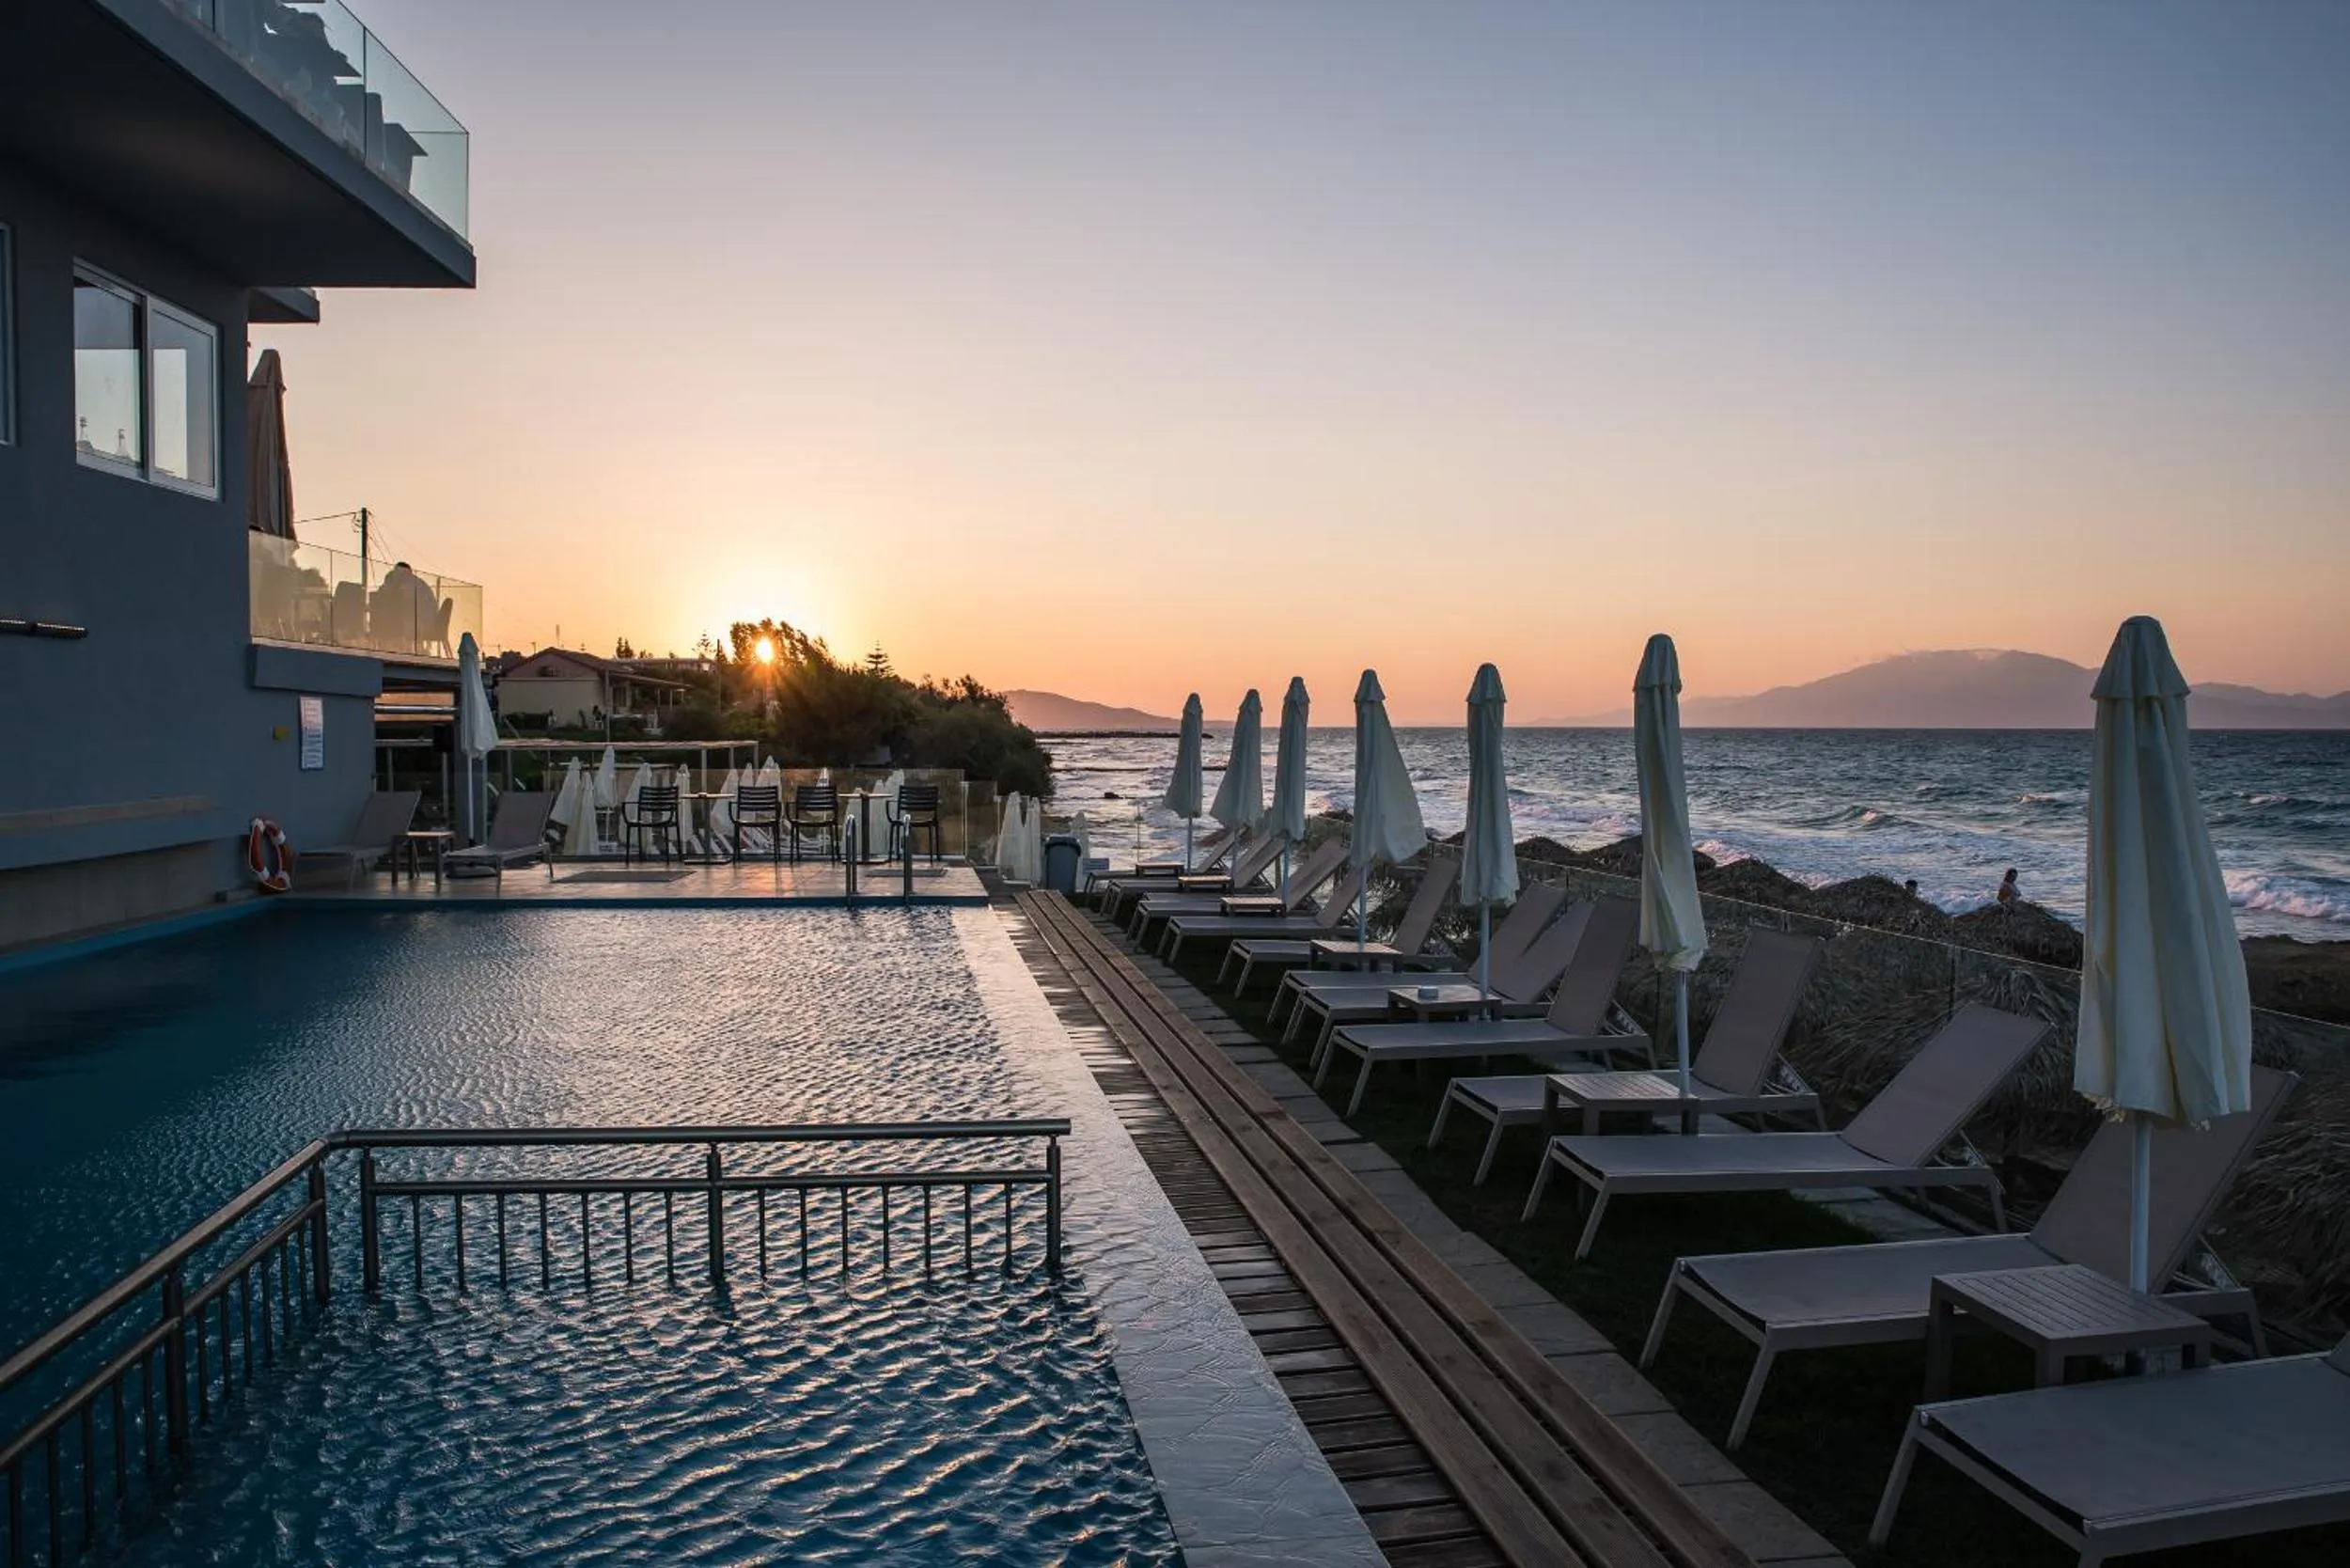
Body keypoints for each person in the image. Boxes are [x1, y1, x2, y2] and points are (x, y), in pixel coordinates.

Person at [369, 561, 439, 653]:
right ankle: (389, 649)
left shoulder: (413, 584)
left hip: (423, 622)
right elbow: (383, 593)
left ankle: (391, 650)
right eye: (394, 573)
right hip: (419, 620)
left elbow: (403, 603)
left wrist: (390, 587)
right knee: (388, 620)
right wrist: (388, 583)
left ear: (406, 573)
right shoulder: (406, 583)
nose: (395, 575)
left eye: (397, 573)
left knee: (390, 622)